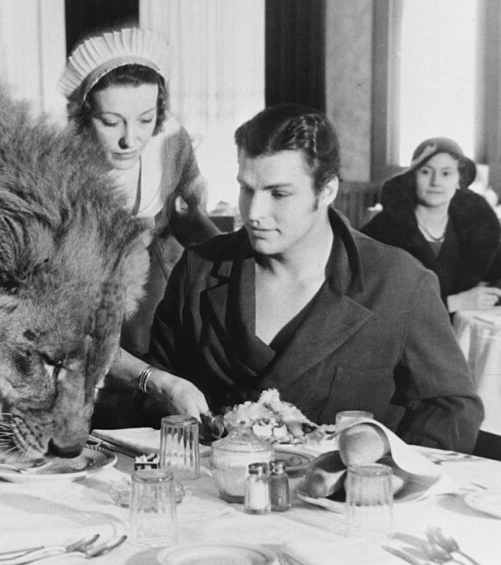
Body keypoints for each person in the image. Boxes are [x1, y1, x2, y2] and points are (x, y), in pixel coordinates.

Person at [146, 104, 482, 452]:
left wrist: (388, 469)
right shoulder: (198, 269)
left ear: (327, 191)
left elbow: (452, 410)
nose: (254, 213)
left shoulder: (399, 283)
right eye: (247, 189)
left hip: (342, 500)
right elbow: (155, 395)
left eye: (279, 194)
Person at [58, 28, 219, 426]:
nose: (131, 139)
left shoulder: (171, 142)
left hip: (159, 294)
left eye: (145, 119)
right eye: (111, 122)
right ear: (82, 116)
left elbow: (188, 219)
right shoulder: (62, 171)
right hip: (91, 305)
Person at [361, 138, 501, 312]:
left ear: (459, 180)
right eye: (426, 172)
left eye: (446, 173)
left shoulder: (479, 227)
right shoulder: (381, 231)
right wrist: (453, 303)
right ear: (412, 178)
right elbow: (372, 300)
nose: (436, 182)